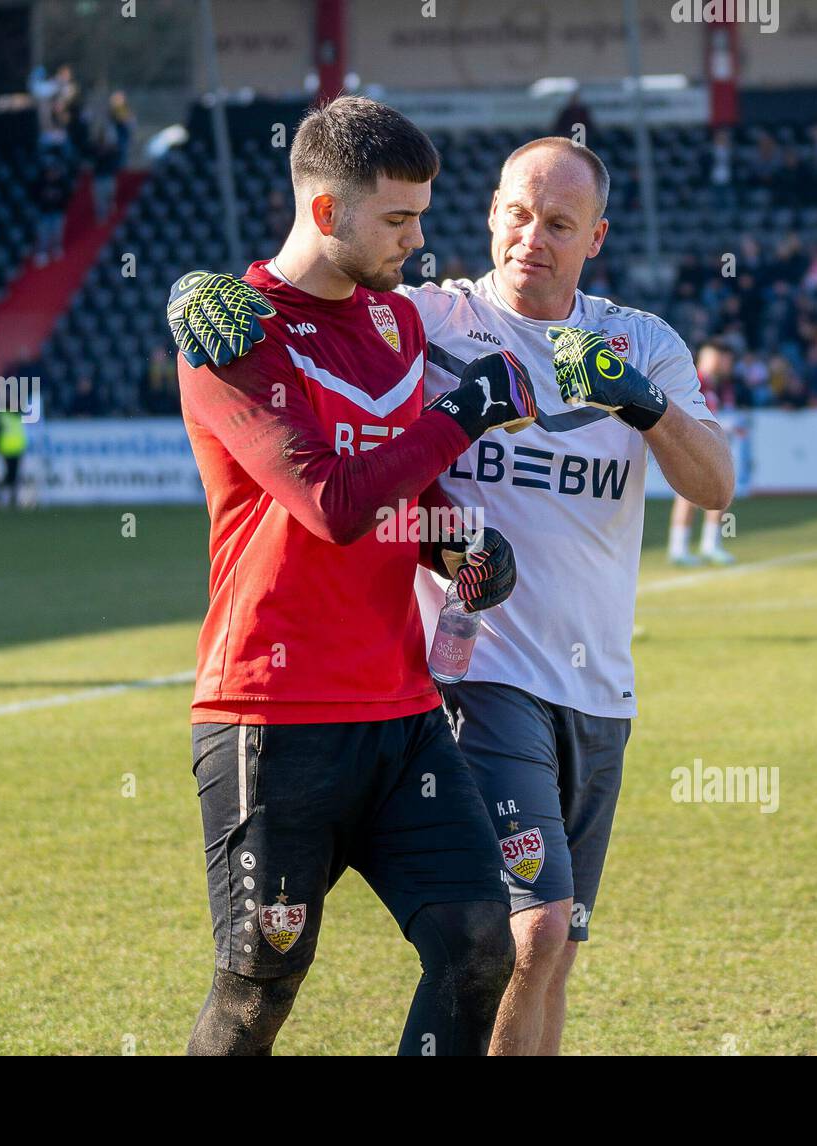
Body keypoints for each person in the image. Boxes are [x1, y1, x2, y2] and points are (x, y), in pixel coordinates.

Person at [173, 133, 734, 1056]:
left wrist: (641, 404)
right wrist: (190, 287)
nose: (531, 238)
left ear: (596, 236)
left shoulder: (641, 342)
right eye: (515, 214)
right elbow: (312, 294)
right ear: (491, 214)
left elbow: (715, 488)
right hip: (465, 678)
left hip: (591, 686)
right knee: (526, 930)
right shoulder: (426, 317)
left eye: (559, 223)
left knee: (539, 946)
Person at [167, 97, 541, 1057]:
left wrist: (452, 542)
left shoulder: (393, 325)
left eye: (422, 214)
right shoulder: (232, 333)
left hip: (400, 711)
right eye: (398, 218)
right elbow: (332, 505)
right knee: (260, 987)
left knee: (476, 946)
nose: (419, 240)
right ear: (326, 213)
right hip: (271, 715)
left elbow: (398, 489)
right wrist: (463, 413)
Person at [669, 339, 737, 566]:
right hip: (690, 445)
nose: (729, 364)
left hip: (708, 445)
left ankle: (708, 545)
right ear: (713, 357)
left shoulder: (718, 385)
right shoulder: (695, 381)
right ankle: (680, 548)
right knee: (688, 495)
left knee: (719, 491)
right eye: (725, 358)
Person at [0, 409, 27, 509]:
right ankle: (3, 494)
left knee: (14, 474)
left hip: (17, 449)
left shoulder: (16, 415)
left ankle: (12, 498)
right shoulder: (3, 416)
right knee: (10, 474)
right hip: (6, 449)